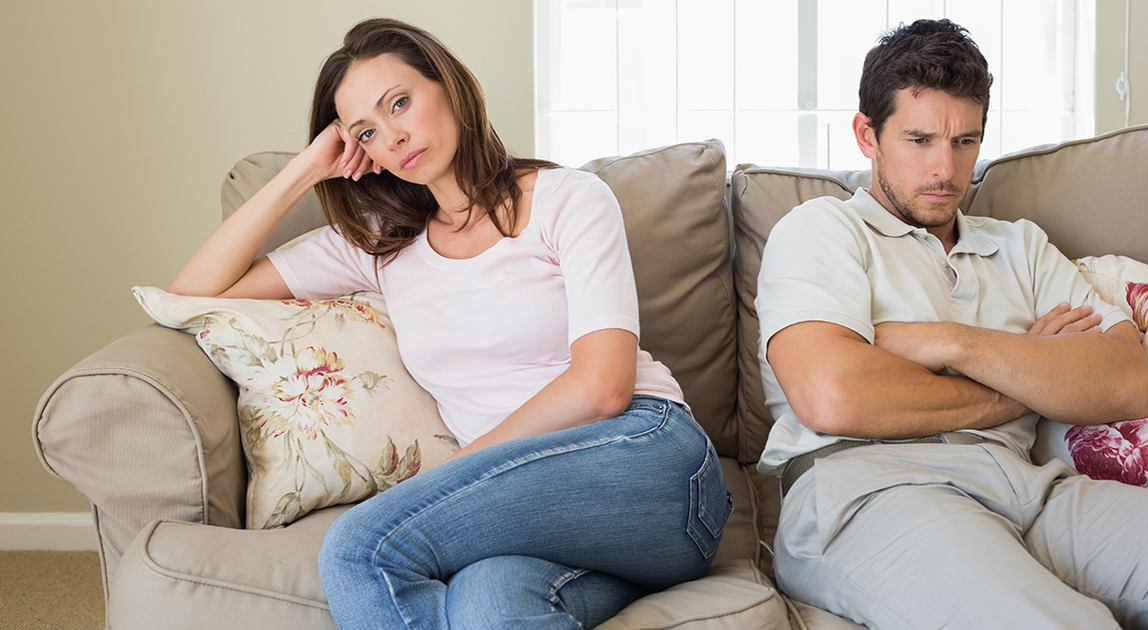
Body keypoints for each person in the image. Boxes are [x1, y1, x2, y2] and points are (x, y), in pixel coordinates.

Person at [170, 17, 731, 630]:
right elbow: (193, 292)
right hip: (555, 528)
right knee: (489, 606)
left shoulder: (568, 199)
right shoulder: (381, 244)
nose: (393, 137)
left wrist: (448, 479)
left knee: (361, 547)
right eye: (367, 132)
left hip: (647, 459)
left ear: (451, 86)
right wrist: (304, 169)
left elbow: (604, 387)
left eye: (400, 103)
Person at [756, 18, 1148, 630]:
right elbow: (833, 396)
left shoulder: (1022, 246)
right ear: (867, 135)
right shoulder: (821, 229)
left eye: (965, 141)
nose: (945, 169)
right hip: (870, 489)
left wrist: (948, 342)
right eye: (919, 140)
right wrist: (1026, 374)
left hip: (1031, 486)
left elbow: (1127, 382)